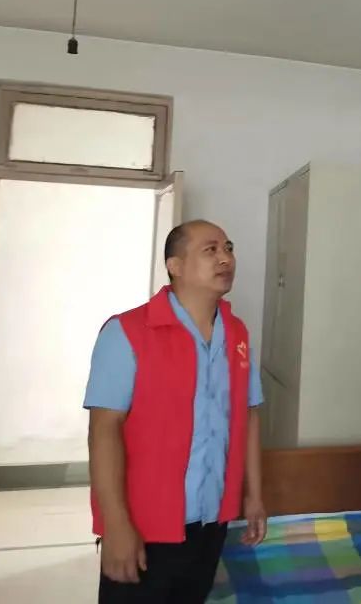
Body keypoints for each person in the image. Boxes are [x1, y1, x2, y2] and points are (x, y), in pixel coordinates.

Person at [84, 219, 267, 603]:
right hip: (143, 523)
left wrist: (253, 495)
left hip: (212, 519)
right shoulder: (126, 332)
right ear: (175, 265)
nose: (225, 258)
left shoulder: (237, 333)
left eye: (228, 248)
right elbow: (104, 431)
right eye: (210, 249)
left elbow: (248, 414)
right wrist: (115, 524)